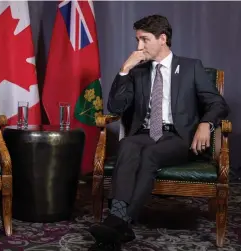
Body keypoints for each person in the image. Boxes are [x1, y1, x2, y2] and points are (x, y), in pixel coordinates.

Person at [89, 14, 229, 245]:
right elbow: (115, 107)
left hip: (179, 137)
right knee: (127, 145)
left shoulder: (190, 67)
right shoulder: (138, 71)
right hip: (145, 133)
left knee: (150, 155)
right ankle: (118, 221)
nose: (139, 46)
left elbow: (217, 104)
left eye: (144, 40)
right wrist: (124, 70)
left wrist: (206, 124)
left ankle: (121, 222)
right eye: (137, 40)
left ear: (162, 38)